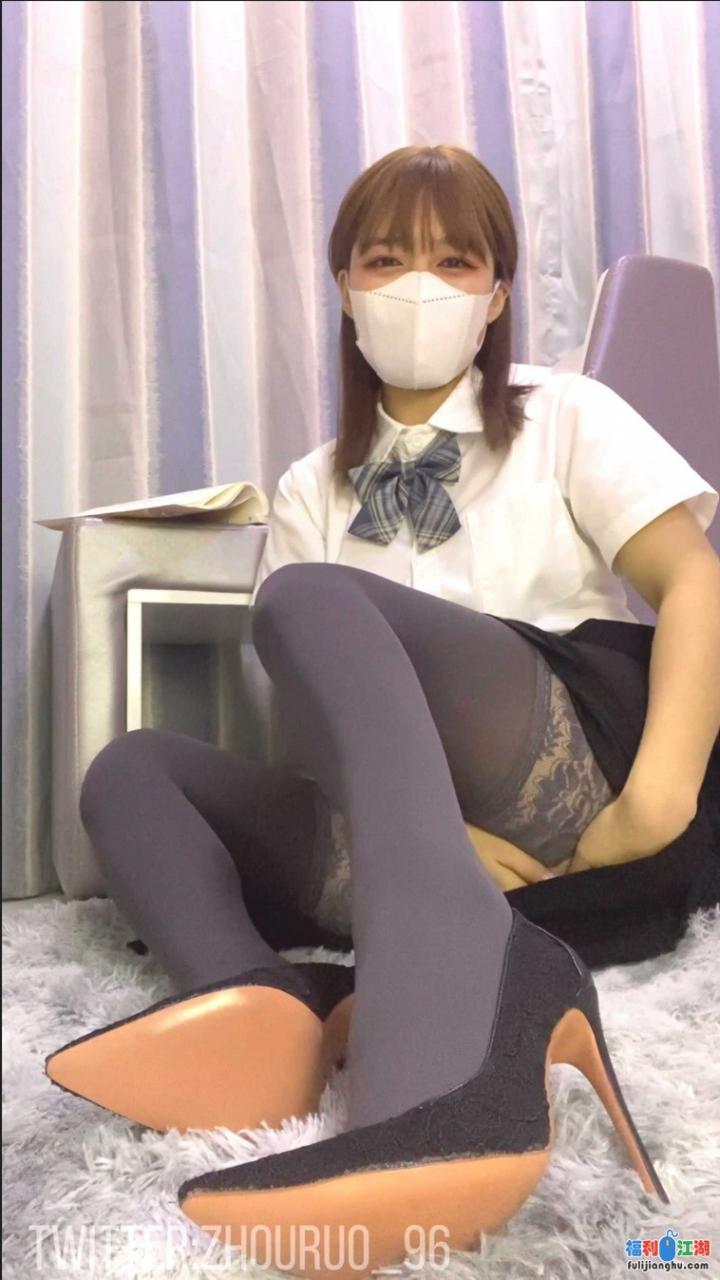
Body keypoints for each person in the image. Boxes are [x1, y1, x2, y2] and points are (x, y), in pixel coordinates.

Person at [46, 145, 720, 1274]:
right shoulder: (312, 485)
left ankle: (447, 1052)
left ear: (497, 294)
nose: (419, 285)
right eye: (386, 259)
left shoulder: (567, 414)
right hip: (417, 827)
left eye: (455, 261)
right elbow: (322, 716)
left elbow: (695, 578)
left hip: (568, 777)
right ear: (345, 286)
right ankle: (262, 1007)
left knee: (309, 598)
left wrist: (659, 797)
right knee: (131, 769)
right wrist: (436, 836)